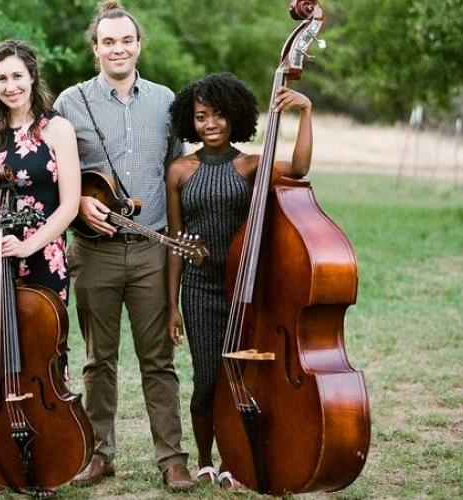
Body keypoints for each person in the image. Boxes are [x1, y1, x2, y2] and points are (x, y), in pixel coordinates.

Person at [52, 1, 193, 490]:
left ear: (138, 46)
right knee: (98, 358)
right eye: (108, 41)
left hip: (152, 247)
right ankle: (98, 453)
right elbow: (51, 175)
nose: (118, 48)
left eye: (126, 40)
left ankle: (172, 458)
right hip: (93, 252)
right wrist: (76, 207)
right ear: (96, 48)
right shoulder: (69, 103)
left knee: (159, 360)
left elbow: (176, 172)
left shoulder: (166, 101)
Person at [165, 72, 312, 489]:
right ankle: (206, 460)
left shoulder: (250, 165)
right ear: (188, 121)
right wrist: (171, 304)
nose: (210, 124)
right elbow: (176, 242)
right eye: (200, 117)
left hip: (246, 290)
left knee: (242, 377)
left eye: (219, 116)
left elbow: (299, 168)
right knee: (208, 378)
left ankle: (235, 458)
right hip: (197, 288)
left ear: (235, 118)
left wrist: (306, 112)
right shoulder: (179, 170)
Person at [0, 38, 82, 495]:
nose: (11, 85)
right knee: (2, 355)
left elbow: (70, 203)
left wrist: (31, 243)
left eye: (17, 76)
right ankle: (6, 446)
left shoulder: (57, 130)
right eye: (2, 79)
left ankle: (53, 452)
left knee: (46, 353)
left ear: (32, 77)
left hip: (45, 256)